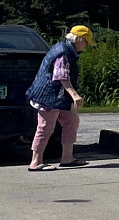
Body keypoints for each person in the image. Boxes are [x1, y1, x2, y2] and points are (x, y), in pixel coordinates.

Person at [27, 24, 94, 171]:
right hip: (48, 96)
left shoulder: (66, 50)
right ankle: (35, 162)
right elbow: (61, 76)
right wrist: (75, 95)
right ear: (79, 39)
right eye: (86, 42)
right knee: (45, 127)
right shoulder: (63, 53)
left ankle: (67, 158)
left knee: (71, 120)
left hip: (59, 97)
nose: (87, 46)